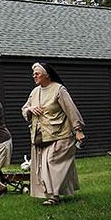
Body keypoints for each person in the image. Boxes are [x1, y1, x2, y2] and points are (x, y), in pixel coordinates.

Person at [21, 62, 86, 205]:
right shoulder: (35, 92)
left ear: (47, 75)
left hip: (60, 135)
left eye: (37, 73)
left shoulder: (59, 90)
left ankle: (54, 197)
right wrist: (30, 109)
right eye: (33, 74)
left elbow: (71, 110)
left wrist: (78, 130)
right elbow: (24, 109)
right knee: (43, 167)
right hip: (40, 136)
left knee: (52, 164)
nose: (34, 76)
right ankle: (51, 195)